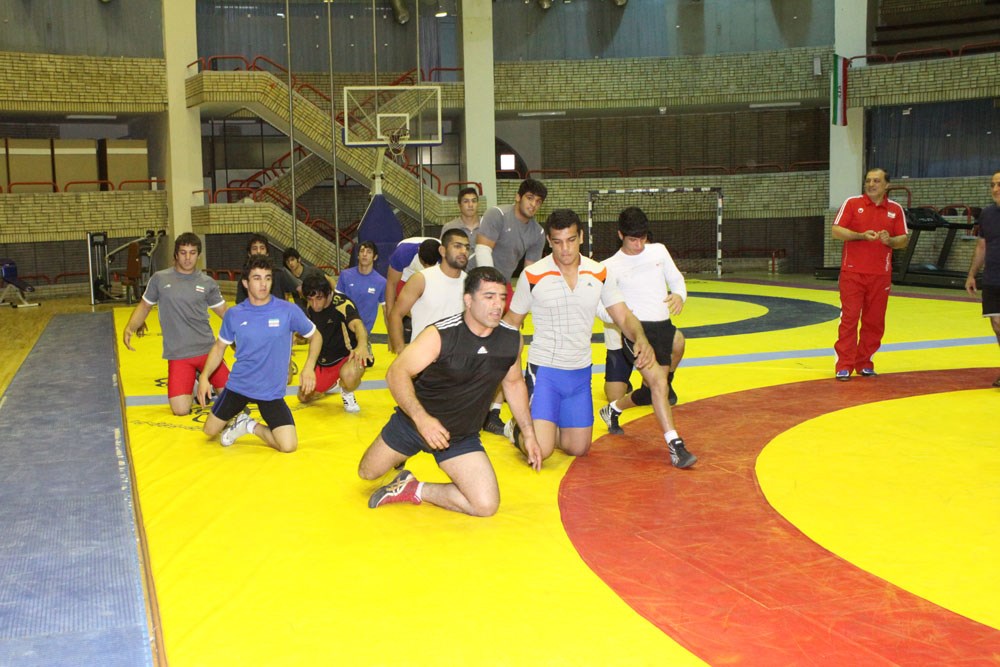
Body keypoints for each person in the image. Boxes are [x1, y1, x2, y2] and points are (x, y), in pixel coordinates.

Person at [503, 209, 696, 469]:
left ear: (581, 237)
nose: (565, 249)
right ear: (549, 241)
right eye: (558, 242)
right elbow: (511, 323)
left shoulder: (598, 272)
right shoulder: (533, 275)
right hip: (545, 372)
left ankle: (543, 427)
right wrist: (506, 365)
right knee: (543, 451)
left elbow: (623, 316)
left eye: (571, 240)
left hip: (579, 373)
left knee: (578, 448)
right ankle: (517, 428)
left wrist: (640, 338)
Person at [359, 267, 542, 516]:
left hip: (460, 436)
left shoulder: (510, 340)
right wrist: (422, 420)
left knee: (485, 505)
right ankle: (400, 454)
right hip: (414, 424)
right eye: (489, 297)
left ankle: (413, 488)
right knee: (367, 472)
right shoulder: (440, 335)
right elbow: (396, 373)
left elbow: (514, 384)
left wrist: (528, 434)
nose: (498, 305)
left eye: (502, 297)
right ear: (468, 300)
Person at [596, 209, 694, 468]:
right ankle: (675, 445)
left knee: (676, 347)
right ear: (620, 235)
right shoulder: (609, 266)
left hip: (663, 327)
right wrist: (622, 317)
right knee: (659, 384)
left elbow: (677, 281)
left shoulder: (658, 251)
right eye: (633, 239)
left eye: (642, 238)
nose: (639, 245)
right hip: (636, 332)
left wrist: (679, 296)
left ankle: (613, 409)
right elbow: (599, 307)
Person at [197, 255, 321, 453]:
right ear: (246, 283)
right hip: (239, 386)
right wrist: (204, 377)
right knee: (209, 430)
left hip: (270, 392)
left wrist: (309, 368)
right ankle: (236, 419)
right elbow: (219, 347)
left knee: (288, 446)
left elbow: (316, 336)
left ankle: (247, 425)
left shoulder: (287, 310)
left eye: (267, 278)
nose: (263, 284)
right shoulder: (234, 314)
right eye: (257, 278)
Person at [122, 232, 229, 416]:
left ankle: (202, 377)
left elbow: (225, 313)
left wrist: (244, 333)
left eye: (192, 253)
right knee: (180, 410)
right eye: (183, 253)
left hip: (207, 351)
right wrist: (130, 327)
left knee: (232, 400)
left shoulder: (207, 282)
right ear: (176, 255)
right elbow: (145, 305)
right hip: (179, 354)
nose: (188, 258)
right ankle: (194, 382)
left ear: (198, 255)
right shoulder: (160, 279)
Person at [474, 178, 548, 434]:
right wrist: (490, 292)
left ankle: (492, 412)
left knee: (510, 346)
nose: (533, 204)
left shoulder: (537, 233)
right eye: (529, 198)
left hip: (502, 290)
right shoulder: (497, 214)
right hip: (474, 283)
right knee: (468, 348)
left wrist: (520, 307)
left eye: (538, 201)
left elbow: (530, 274)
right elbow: (482, 251)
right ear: (518, 197)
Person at [831, 168, 909, 380]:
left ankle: (865, 362)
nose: (871, 184)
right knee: (849, 319)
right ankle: (844, 365)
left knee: (874, 321)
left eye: (876, 181)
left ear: (887, 185)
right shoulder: (852, 203)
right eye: (868, 181)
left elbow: (903, 239)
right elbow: (836, 230)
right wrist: (860, 236)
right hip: (852, 273)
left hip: (880, 275)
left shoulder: (895, 209)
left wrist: (889, 240)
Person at [387, 229, 469, 353]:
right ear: (443, 251)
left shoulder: (469, 282)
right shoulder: (405, 256)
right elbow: (391, 287)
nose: (463, 251)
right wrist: (398, 345)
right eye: (457, 246)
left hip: (453, 353)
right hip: (424, 353)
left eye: (467, 247)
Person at [299, 273, 370, 412]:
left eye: (319, 298)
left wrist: (362, 345)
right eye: (310, 299)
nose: (315, 304)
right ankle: (333, 384)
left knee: (349, 376)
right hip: (325, 360)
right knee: (303, 396)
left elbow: (358, 325)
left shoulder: (342, 304)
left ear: (328, 293)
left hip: (347, 357)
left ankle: (347, 392)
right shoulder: (311, 305)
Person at [965, 170, 1000, 388]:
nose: (995, 189)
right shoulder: (987, 214)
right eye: (993, 185)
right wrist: (972, 274)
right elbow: (981, 246)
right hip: (993, 277)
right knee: (996, 324)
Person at [335, 240, 387, 337]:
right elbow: (336, 302)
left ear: (375, 257)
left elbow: (386, 310)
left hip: (365, 333)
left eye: (369, 252)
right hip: (343, 332)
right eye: (362, 251)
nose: (364, 254)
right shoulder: (345, 275)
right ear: (358, 255)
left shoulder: (381, 282)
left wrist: (391, 337)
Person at [235, 234, 301, 305]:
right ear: (249, 254)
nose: (258, 251)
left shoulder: (280, 273)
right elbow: (240, 304)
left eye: (262, 248)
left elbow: (300, 289)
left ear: (267, 253)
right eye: (254, 248)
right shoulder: (245, 277)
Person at [384, 236, 439, 318]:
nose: (426, 268)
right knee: (401, 307)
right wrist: (390, 314)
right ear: (419, 254)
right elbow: (392, 284)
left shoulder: (446, 256)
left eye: (430, 265)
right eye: (424, 264)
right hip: (406, 274)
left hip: (433, 276)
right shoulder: (402, 253)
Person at [440, 187, 482, 269]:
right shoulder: (449, 227)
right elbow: (444, 255)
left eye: (474, 201)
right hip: (457, 273)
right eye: (466, 201)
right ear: (459, 205)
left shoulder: (487, 225)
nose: (470, 205)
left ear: (478, 204)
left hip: (483, 273)